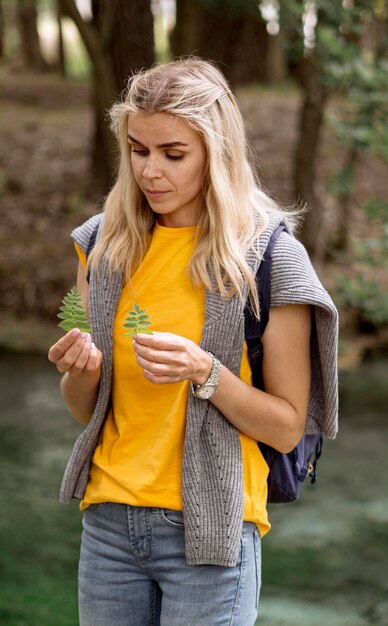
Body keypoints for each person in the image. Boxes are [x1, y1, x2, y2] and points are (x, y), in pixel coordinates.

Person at [48, 57, 338, 626]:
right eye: (138, 150)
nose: (150, 171)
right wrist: (78, 370)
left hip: (211, 534)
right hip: (108, 526)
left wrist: (207, 373)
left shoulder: (271, 260)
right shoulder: (102, 249)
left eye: (173, 154)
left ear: (217, 152)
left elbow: (285, 424)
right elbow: (85, 410)